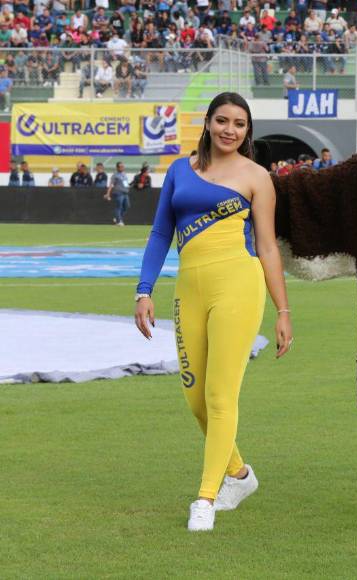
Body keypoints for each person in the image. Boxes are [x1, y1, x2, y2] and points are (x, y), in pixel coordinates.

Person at [135, 92, 292, 533]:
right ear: (206, 123)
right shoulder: (180, 170)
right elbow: (161, 231)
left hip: (238, 287)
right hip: (189, 290)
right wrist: (143, 290)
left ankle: (205, 498)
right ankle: (240, 475)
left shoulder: (257, 177)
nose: (230, 130)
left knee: (221, 397)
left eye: (239, 124)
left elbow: (266, 247)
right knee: (195, 398)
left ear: (247, 131)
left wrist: (283, 309)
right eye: (222, 120)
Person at [104, 161, 130, 226]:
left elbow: (126, 183)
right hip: (118, 193)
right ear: (117, 168)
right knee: (119, 206)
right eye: (121, 167)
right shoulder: (115, 175)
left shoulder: (124, 174)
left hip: (125, 193)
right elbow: (111, 184)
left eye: (123, 166)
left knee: (127, 206)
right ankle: (119, 221)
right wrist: (108, 193)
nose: (122, 168)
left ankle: (117, 218)